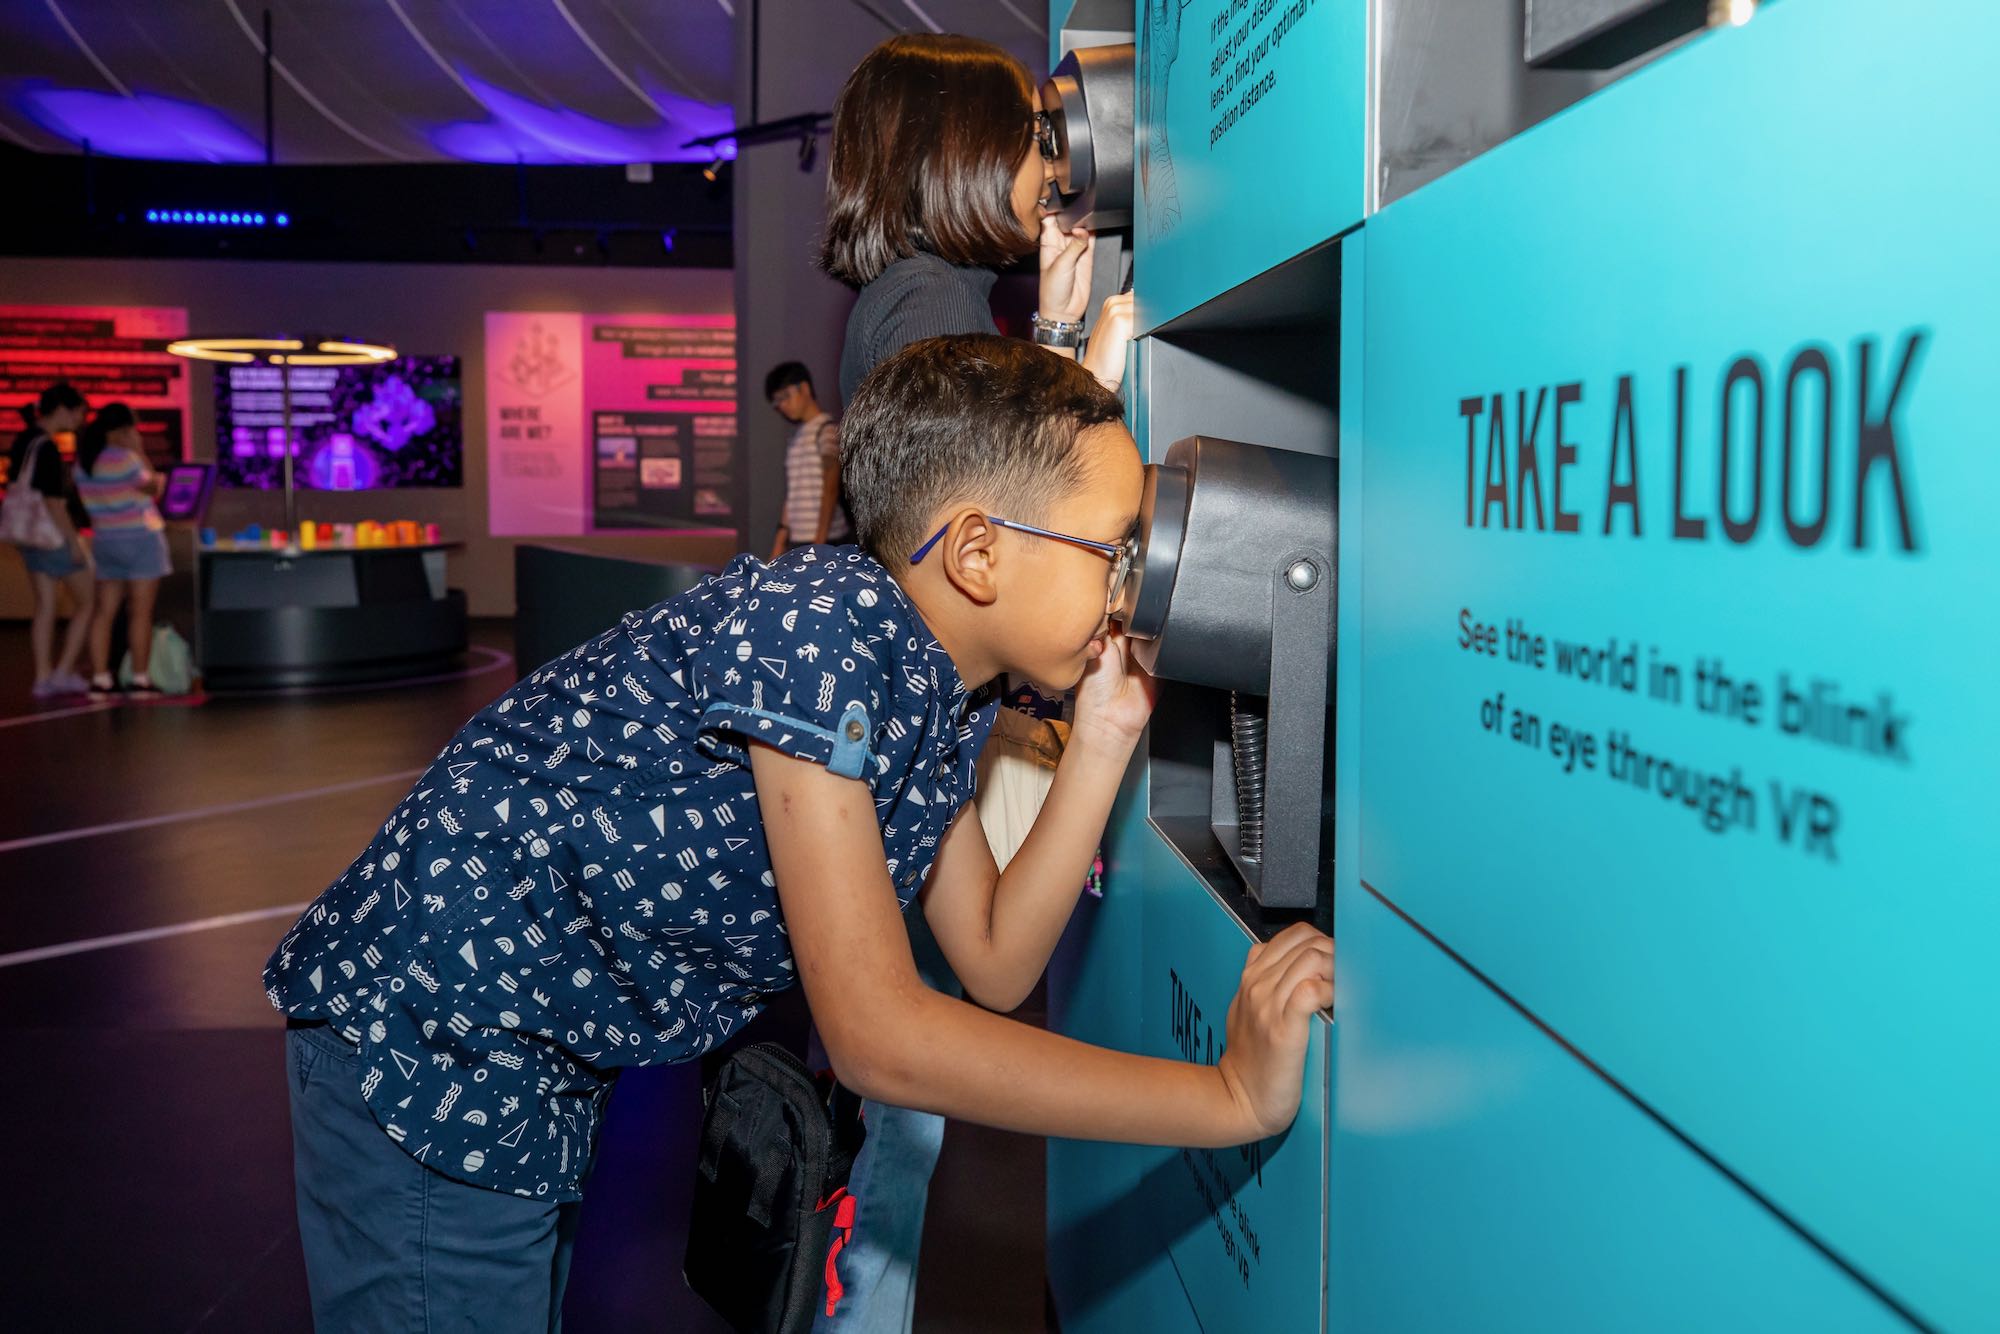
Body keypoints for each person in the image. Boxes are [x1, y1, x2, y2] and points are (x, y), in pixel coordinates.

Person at [264, 336, 1332, 1333]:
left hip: (534, 1063)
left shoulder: (934, 690)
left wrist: (1099, 739)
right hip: (429, 1036)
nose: (1127, 585)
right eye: (1110, 549)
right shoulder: (817, 637)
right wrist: (1225, 1094)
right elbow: (878, 1032)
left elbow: (996, 958)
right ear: (974, 553)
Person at [819, 36, 1137, 1325]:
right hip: (911, 737)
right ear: (954, 152)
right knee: (895, 1136)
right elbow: (980, 520)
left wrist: (1056, 332)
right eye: (1029, 140)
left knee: (899, 1131)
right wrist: (1082, 364)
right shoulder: (928, 308)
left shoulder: (914, 298)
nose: (1050, 166)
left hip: (907, 735)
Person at [823, 33, 1136, 410]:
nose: (1052, 171)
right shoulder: (932, 299)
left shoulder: (916, 290)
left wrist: (1058, 324)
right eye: (1038, 137)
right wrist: (1096, 384)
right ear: (973, 153)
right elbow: (1009, 471)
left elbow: (997, 456)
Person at [73, 403, 172, 697]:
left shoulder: (84, 462)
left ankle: (101, 677)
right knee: (140, 612)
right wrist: (141, 452)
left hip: (105, 540)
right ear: (124, 431)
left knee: (104, 612)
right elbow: (153, 487)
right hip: (140, 539)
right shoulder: (127, 460)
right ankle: (141, 678)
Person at [7, 382, 94, 699]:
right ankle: (63, 670)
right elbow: (55, 504)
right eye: (77, 413)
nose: (79, 421)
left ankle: (43, 677)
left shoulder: (25, 440)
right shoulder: (47, 447)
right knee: (88, 601)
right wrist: (73, 542)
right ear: (61, 410)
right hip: (53, 536)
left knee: (44, 605)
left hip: (28, 535)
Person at [766, 361, 850, 559]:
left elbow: (830, 489)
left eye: (785, 397)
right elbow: (793, 493)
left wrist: (819, 543)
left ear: (803, 388)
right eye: (777, 402)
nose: (782, 406)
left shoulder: (827, 429)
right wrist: (779, 542)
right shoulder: (795, 437)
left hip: (826, 541)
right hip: (799, 538)